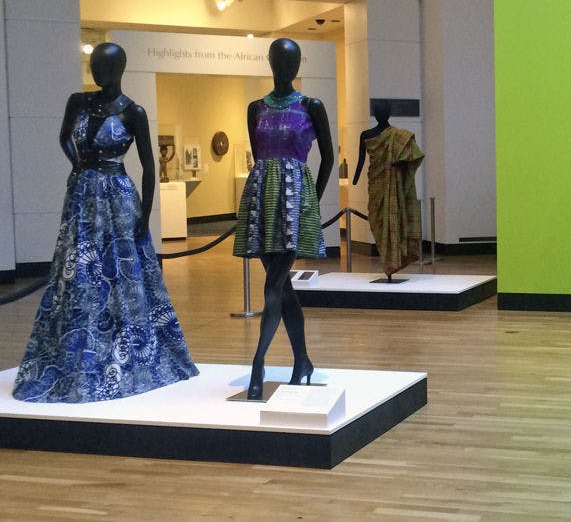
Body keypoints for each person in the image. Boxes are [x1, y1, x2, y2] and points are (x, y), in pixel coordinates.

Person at [13, 42, 198, 403]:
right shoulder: (78, 102)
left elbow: (148, 165)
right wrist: (77, 163)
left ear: (120, 69)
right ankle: (75, 353)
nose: (99, 71)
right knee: (77, 273)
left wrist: (145, 215)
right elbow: (64, 137)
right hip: (82, 197)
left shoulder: (133, 112)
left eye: (106, 66)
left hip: (117, 197)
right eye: (95, 64)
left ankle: (127, 350)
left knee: (124, 275)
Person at [233, 38, 334, 400]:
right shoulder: (255, 108)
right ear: (271, 63)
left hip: (294, 203)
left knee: (273, 286)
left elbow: (328, 158)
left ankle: (258, 365)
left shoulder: (311, 105)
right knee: (283, 289)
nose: (285, 67)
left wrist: (311, 202)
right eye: (279, 60)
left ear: (298, 64)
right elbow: (261, 158)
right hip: (263, 198)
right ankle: (302, 360)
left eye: (291, 61)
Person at [352, 99, 424, 280]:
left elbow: (415, 155)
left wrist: (399, 163)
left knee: (394, 219)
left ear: (387, 114)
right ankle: (389, 259)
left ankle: (393, 261)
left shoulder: (398, 137)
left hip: (393, 185)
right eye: (379, 111)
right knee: (377, 221)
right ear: (375, 114)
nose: (381, 114)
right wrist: (355, 177)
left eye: (383, 111)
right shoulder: (365, 135)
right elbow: (361, 160)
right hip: (376, 185)